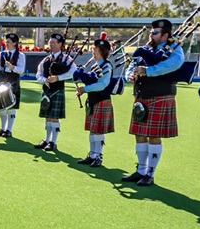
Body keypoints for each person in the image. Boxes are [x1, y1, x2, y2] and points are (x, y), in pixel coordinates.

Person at [123, 18, 184, 187]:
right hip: (142, 95)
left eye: (155, 32)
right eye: (151, 31)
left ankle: (150, 173)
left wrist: (148, 71)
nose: (151, 34)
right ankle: (141, 170)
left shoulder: (175, 50)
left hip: (160, 95)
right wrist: (131, 75)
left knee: (154, 136)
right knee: (139, 134)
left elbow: (172, 65)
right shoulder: (146, 48)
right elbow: (132, 65)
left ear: (165, 35)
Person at [74, 32, 115, 167]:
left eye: (96, 50)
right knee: (92, 129)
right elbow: (91, 82)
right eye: (93, 49)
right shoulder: (94, 66)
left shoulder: (107, 66)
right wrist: (82, 87)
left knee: (98, 130)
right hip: (92, 100)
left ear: (102, 52)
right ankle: (92, 155)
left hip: (102, 100)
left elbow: (103, 84)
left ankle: (98, 156)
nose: (93, 52)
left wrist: (85, 89)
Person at [34, 33, 75, 150]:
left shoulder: (67, 59)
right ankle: (46, 139)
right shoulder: (46, 59)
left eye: (53, 42)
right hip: (46, 90)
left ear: (60, 44)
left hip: (57, 90)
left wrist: (58, 78)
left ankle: (53, 142)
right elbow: (39, 73)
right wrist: (43, 80)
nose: (50, 44)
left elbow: (73, 72)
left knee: (54, 117)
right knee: (47, 116)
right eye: (50, 42)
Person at [0, 32, 26, 137]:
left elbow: (21, 71)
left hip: (13, 83)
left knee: (11, 107)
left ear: (15, 43)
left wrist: (12, 67)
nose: (6, 44)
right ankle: (2, 129)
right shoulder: (3, 54)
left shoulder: (20, 55)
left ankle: (9, 130)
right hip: (2, 82)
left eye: (9, 42)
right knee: (2, 106)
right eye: (6, 41)